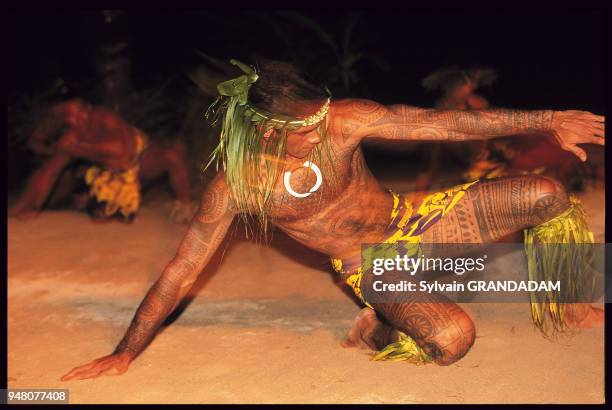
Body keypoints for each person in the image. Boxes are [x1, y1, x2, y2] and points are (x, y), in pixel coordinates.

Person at [60, 59, 604, 380]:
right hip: (371, 265)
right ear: (266, 131)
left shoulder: (341, 120)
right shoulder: (238, 187)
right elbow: (182, 269)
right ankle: (377, 323)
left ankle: (574, 305)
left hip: (417, 219)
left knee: (544, 193)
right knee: (451, 339)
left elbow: (443, 124)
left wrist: (549, 120)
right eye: (306, 126)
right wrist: (125, 352)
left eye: (323, 116)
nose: (323, 129)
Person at [8, 99, 196, 223]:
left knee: (174, 153)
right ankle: (82, 202)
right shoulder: (71, 138)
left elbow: (123, 154)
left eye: (84, 109)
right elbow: (49, 171)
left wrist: (79, 148)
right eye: (75, 115)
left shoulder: (105, 118)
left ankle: (185, 205)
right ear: (66, 121)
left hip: (141, 162)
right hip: (108, 176)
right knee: (97, 213)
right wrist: (27, 204)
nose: (83, 115)